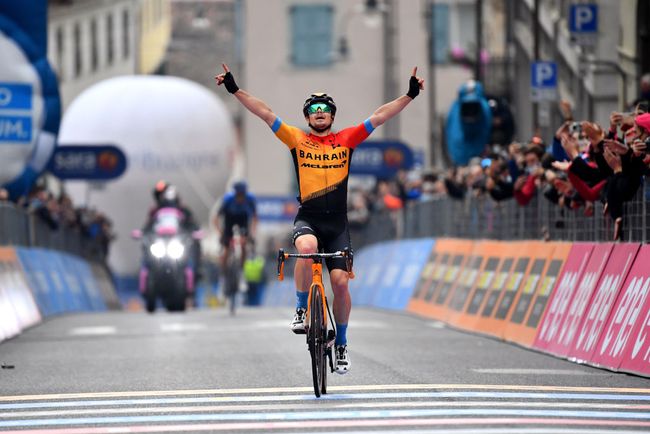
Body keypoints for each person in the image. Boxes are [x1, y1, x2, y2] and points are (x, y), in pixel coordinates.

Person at [215, 63, 424, 374]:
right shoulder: (297, 140)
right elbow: (265, 113)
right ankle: (301, 309)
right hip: (309, 218)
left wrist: (409, 94)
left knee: (340, 283)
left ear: (333, 115)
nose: (320, 111)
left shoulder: (347, 139)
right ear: (307, 116)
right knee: (307, 247)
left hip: (338, 223)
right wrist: (234, 89)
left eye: (325, 107)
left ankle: (341, 344)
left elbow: (380, 116)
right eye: (313, 108)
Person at [213, 181, 258, 274]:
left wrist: (252, 234)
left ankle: (242, 270)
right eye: (238, 195)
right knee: (226, 247)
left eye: (242, 195)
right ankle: (223, 272)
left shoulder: (250, 200)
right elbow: (216, 218)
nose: (240, 198)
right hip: (229, 219)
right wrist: (221, 233)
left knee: (244, 244)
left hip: (243, 219)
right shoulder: (227, 200)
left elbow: (255, 218)